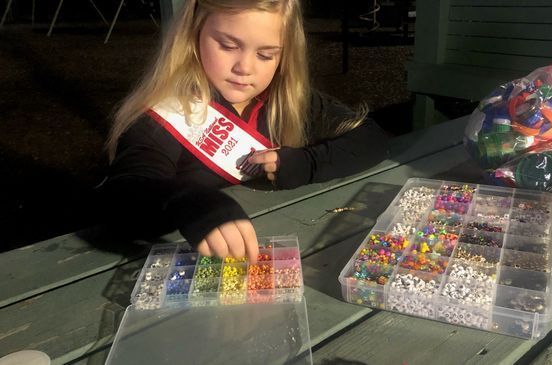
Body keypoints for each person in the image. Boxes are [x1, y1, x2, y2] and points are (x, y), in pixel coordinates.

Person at [100, 0, 389, 263]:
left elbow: (371, 138)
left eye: (266, 55)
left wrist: (305, 163)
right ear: (193, 34)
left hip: (290, 247)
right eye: (227, 46)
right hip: (187, 262)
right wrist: (190, 202)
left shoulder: (286, 101)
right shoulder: (165, 115)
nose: (245, 67)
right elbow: (125, 194)